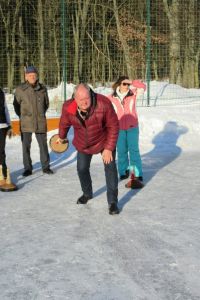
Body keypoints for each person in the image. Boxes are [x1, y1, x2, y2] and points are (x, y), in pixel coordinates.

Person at [57, 83, 120, 215]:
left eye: (87, 98)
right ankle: (87, 193)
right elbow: (64, 123)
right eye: (81, 100)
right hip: (83, 143)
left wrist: (109, 148)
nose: (85, 102)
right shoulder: (68, 107)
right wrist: (62, 137)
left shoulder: (103, 103)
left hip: (104, 140)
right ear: (74, 98)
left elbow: (114, 126)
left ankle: (113, 202)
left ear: (90, 94)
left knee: (110, 168)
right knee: (81, 168)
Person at [13, 66, 53, 176]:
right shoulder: (20, 89)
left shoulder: (43, 88)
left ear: (37, 76)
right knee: (26, 146)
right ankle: (27, 168)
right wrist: (23, 115)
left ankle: (46, 167)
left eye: (34, 75)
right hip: (26, 122)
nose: (32, 77)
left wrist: (39, 114)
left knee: (43, 145)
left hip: (40, 121)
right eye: (30, 75)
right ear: (26, 76)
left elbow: (46, 104)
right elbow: (16, 105)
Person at [107, 76, 146, 189]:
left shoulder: (133, 93)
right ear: (119, 84)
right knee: (122, 151)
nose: (127, 86)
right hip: (118, 129)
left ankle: (136, 174)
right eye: (124, 84)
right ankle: (124, 172)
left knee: (134, 151)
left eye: (128, 84)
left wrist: (132, 82)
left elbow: (143, 87)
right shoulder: (111, 97)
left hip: (132, 127)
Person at [0, 88, 12, 183]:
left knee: (1, 151)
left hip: (2, 126)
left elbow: (5, 108)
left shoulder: (1, 92)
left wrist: (9, 125)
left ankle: (3, 173)